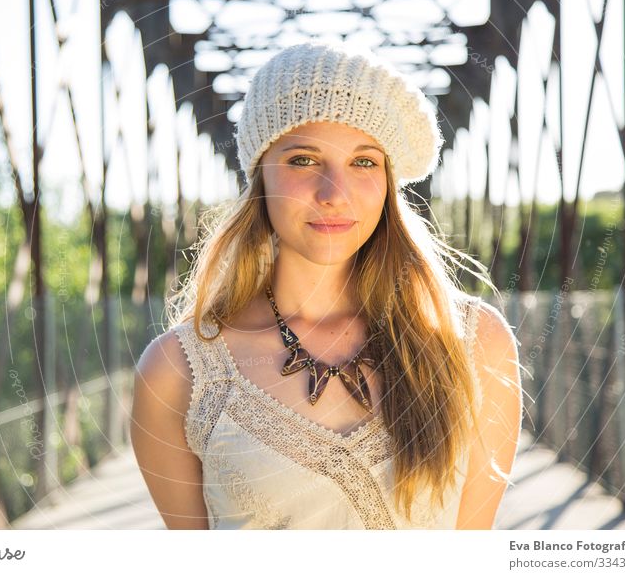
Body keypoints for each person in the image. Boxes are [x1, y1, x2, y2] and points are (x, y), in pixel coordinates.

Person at [131, 40, 522, 530]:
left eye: (364, 162)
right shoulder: (178, 371)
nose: (334, 195)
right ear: (260, 178)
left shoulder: (472, 344)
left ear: (388, 183)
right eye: (303, 160)